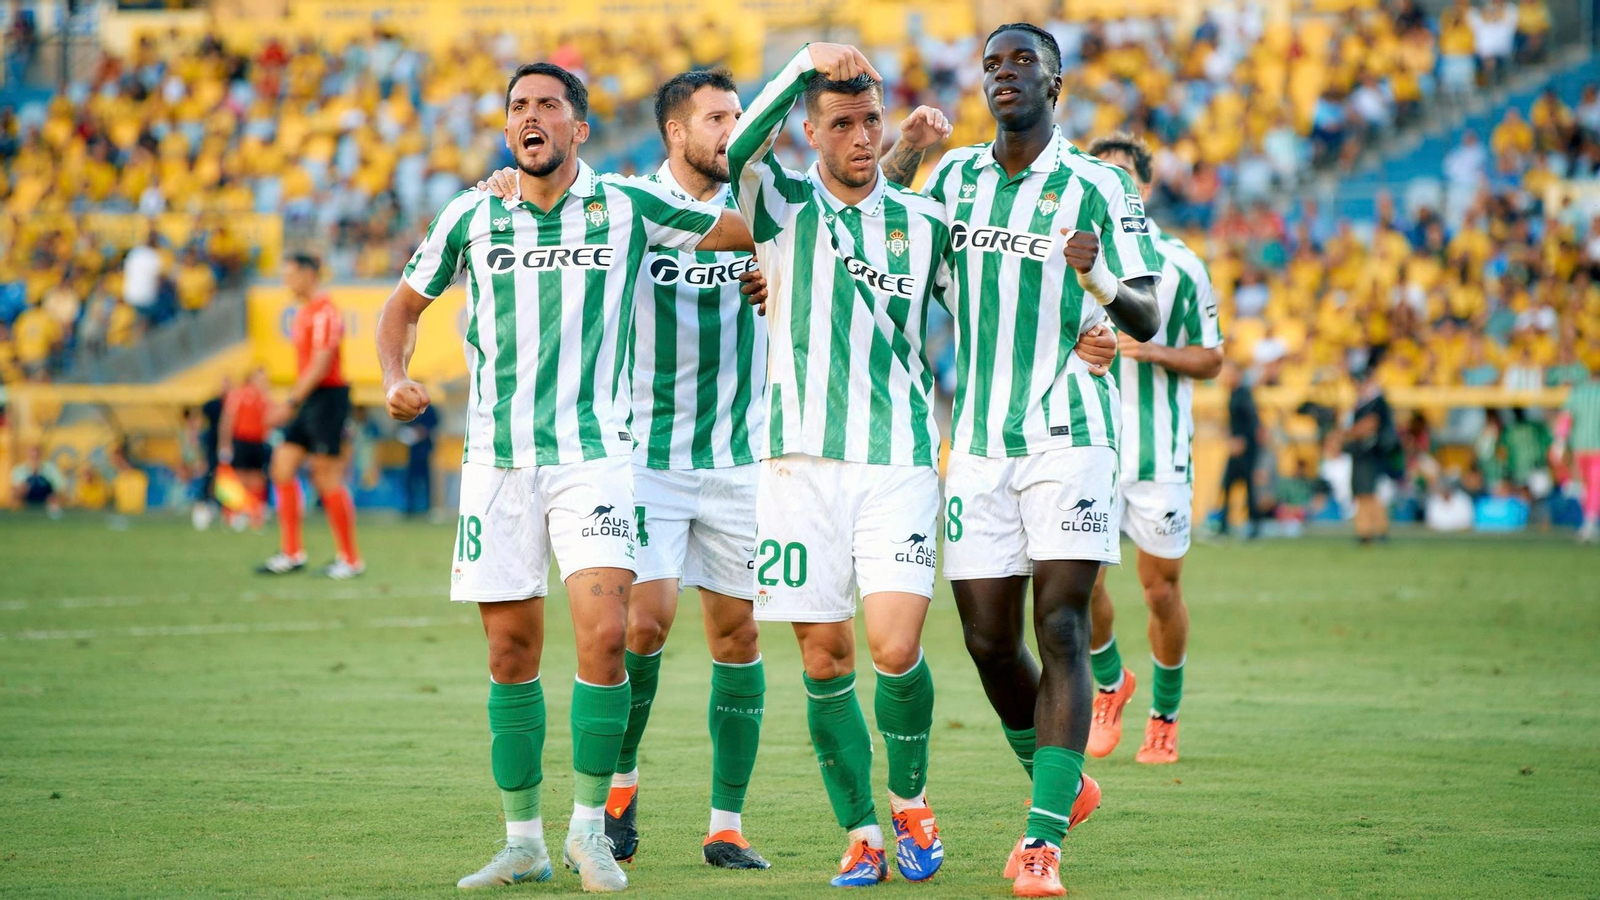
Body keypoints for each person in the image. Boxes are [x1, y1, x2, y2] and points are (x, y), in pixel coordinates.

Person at [376, 61, 752, 893]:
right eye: (519, 105)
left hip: (596, 458)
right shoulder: (472, 213)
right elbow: (402, 307)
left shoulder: (627, 205)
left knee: (607, 637)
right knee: (510, 651)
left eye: (549, 104)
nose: (531, 115)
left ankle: (589, 832)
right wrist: (394, 376)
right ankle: (523, 842)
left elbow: (744, 229)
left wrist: (767, 259)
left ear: (579, 128)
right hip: (497, 463)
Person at [476, 66, 778, 869]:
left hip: (740, 453)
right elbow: (550, 216)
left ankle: (726, 825)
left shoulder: (763, 214)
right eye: (717, 119)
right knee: (641, 625)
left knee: (739, 633)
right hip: (641, 455)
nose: (734, 131)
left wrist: (777, 270)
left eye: (740, 116)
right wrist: (510, 184)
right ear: (676, 131)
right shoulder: (626, 205)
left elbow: (843, 227)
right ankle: (617, 788)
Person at [917, 24, 1161, 898]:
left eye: (1024, 61)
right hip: (979, 441)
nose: (1005, 74)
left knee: (1060, 626)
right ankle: (1066, 783)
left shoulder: (1098, 184)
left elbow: (1147, 315)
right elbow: (899, 270)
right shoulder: (953, 180)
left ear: (1057, 82)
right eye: (993, 64)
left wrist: (1099, 285)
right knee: (987, 640)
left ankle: (1041, 840)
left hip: (1070, 431)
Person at [723, 42, 956, 888]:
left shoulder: (925, 224)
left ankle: (910, 799)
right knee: (824, 660)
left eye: (871, 121)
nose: (862, 136)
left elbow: (993, 308)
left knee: (894, 647)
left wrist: (1087, 332)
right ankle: (861, 833)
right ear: (813, 134)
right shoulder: (780, 205)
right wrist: (799, 66)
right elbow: (735, 150)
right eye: (843, 123)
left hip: (898, 460)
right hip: (795, 466)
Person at [1082, 132, 1224, 768]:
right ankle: (1110, 683)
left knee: (1160, 591)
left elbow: (1212, 358)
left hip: (1158, 453)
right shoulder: (1066, 255)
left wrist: (1153, 349)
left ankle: (1164, 717)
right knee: (1078, 583)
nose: (1113, 188)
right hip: (1085, 445)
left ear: (1144, 186)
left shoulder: (1180, 265)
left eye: (1123, 177)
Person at [257, 254, 363, 578]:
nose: (285, 281)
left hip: (328, 398)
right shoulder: (304, 313)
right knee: (282, 466)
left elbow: (321, 364)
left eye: (289, 274)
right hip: (310, 399)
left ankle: (350, 559)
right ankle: (292, 553)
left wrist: (290, 402)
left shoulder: (325, 312)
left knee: (325, 475)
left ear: (308, 274)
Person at [1346, 368, 1397, 544]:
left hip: (1369, 453)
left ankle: (1371, 530)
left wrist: (1346, 434)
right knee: (1364, 493)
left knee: (1367, 493)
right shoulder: (1366, 402)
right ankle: (1369, 530)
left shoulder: (1376, 402)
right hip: (1363, 453)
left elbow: (1369, 425)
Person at [218, 367, 272, 529]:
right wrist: (225, 444)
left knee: (258, 479)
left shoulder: (265, 399)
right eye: (260, 378)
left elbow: (269, 421)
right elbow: (228, 420)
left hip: (258, 442)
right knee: (239, 478)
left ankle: (255, 514)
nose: (263, 381)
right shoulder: (239, 395)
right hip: (242, 440)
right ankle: (233, 514)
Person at [1552, 370, 1600, 543]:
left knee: (1586, 486)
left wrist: (1560, 442)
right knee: (1594, 486)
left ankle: (1588, 522)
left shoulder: (1578, 393)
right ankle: (1589, 522)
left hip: (1580, 448)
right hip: (1596, 449)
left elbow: (1565, 419)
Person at [1218, 360, 1263, 537]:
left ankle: (1252, 524)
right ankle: (1225, 524)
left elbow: (1252, 421)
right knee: (1229, 485)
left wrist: (1241, 440)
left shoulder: (1243, 394)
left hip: (1245, 448)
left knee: (1247, 486)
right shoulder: (1234, 393)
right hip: (1238, 445)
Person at [398, 403, 437, 517]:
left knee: (426, 480)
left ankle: (428, 507)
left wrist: (424, 430)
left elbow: (435, 422)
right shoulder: (410, 405)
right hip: (413, 450)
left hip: (424, 450)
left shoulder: (429, 408)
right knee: (410, 480)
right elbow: (401, 423)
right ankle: (410, 507)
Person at [10, 445, 63, 515]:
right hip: (27, 495)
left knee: (55, 497)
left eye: (36, 456)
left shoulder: (50, 468)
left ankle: (54, 514)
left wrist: (54, 494)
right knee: (16, 495)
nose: (34, 459)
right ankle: (18, 515)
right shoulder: (19, 470)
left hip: (46, 494)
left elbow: (59, 486)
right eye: (32, 457)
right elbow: (16, 488)